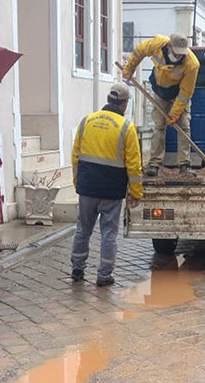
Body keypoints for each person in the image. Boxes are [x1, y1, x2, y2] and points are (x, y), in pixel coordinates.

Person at [70, 82, 143, 287]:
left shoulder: (87, 121)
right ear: (124, 103)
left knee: (83, 229)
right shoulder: (126, 127)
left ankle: (77, 267)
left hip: (87, 187)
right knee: (109, 234)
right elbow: (134, 164)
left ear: (109, 100)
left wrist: (78, 182)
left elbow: (75, 156)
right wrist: (136, 192)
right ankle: (104, 275)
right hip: (111, 190)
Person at [122, 32, 200, 177]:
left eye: (181, 54)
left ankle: (184, 164)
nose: (178, 56)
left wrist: (174, 114)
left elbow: (185, 93)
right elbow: (139, 51)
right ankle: (154, 164)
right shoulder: (157, 44)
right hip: (159, 92)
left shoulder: (192, 64)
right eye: (176, 53)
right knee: (159, 127)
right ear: (169, 46)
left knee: (184, 126)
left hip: (178, 95)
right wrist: (129, 68)